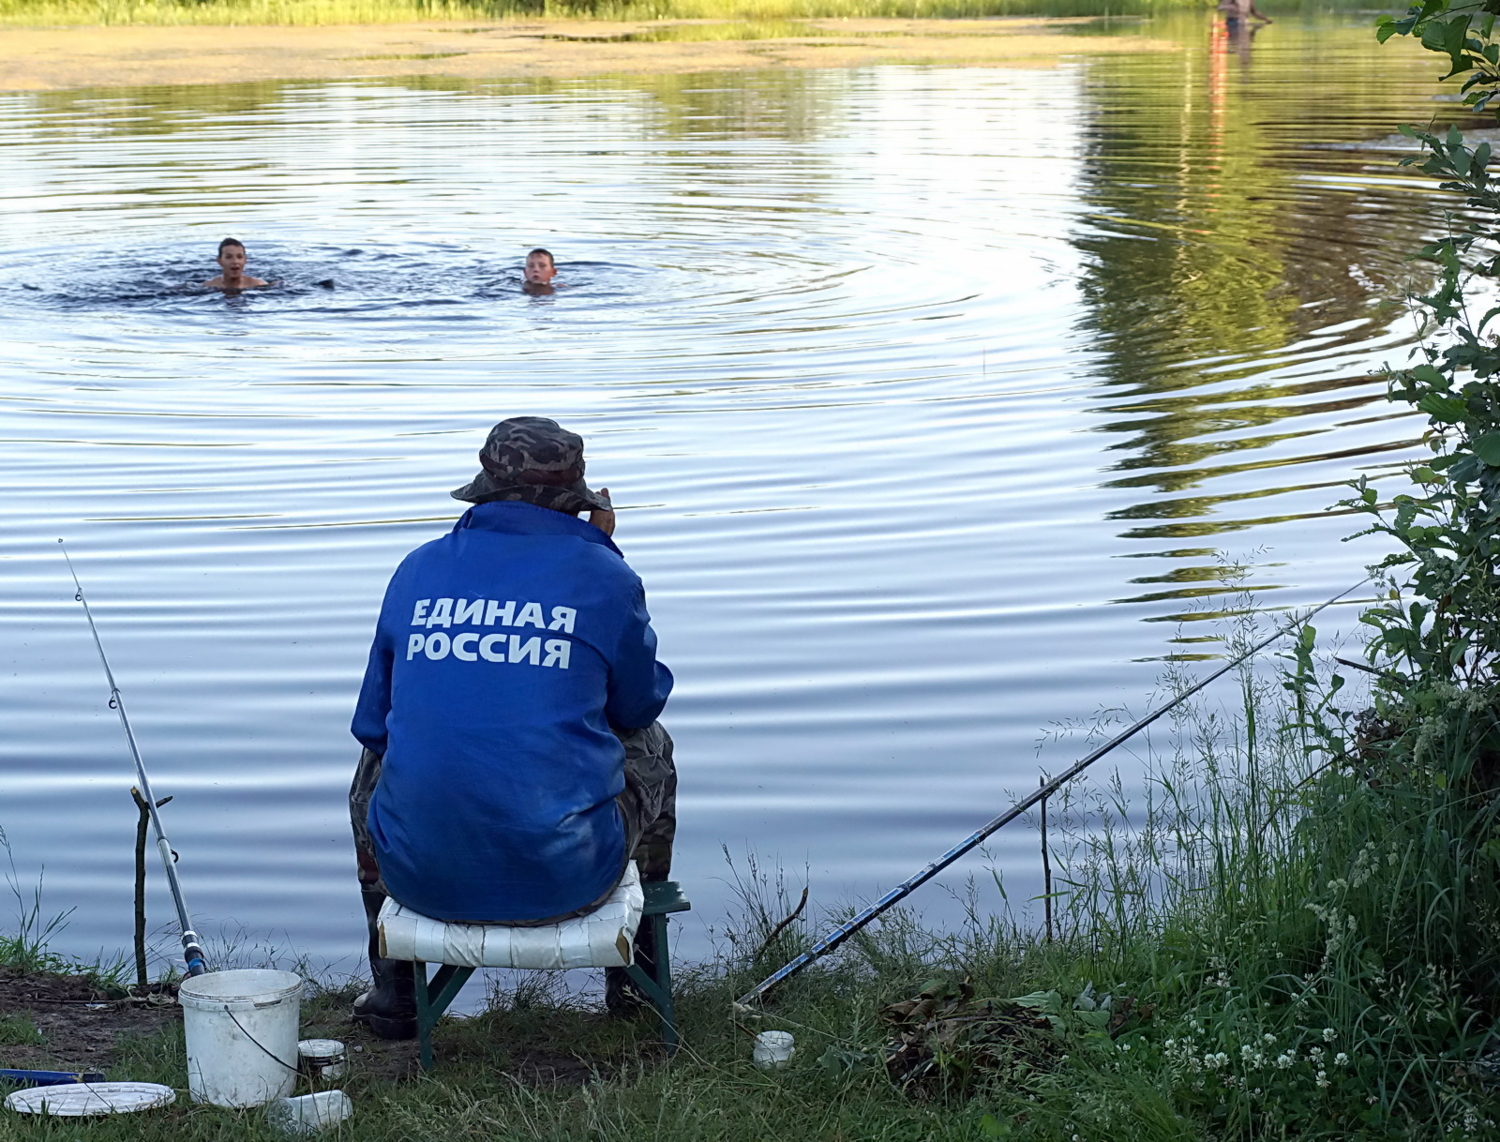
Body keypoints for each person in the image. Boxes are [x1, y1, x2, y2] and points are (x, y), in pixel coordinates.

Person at [348, 417, 676, 1039]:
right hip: (569, 877)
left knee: (378, 758)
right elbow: (640, 707)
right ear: (580, 499)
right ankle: (635, 983)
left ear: (484, 489)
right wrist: (601, 552)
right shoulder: (605, 575)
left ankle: (394, 987)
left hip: (421, 879)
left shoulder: (418, 569)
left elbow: (371, 723)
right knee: (654, 746)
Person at [201, 237, 268, 290]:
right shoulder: (208, 286)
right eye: (228, 257)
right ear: (219, 261)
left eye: (239, 257)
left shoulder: (259, 285)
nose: (235, 261)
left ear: (245, 260)